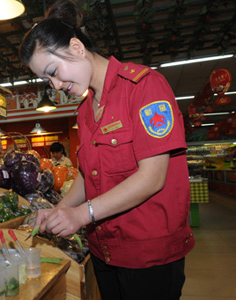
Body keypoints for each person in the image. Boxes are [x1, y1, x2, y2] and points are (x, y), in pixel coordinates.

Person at [19, 1, 195, 299]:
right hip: (106, 250)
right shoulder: (85, 111)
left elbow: (153, 177)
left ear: (76, 47)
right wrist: (59, 210)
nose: (57, 84)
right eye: (47, 80)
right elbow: (88, 177)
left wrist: (82, 215)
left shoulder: (144, 87)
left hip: (149, 253)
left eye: (54, 71)